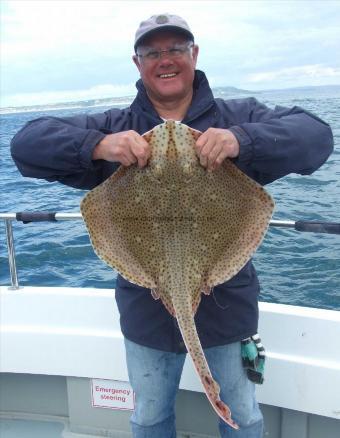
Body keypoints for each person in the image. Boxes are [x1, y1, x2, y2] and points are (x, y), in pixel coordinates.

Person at [11, 13, 333, 438]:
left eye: (176, 49)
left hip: (228, 305)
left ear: (194, 54)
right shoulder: (114, 126)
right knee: (148, 416)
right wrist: (98, 145)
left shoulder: (240, 116)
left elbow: (317, 136)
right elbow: (25, 145)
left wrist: (242, 141)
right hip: (146, 303)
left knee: (242, 413)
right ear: (137, 62)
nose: (165, 60)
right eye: (153, 52)